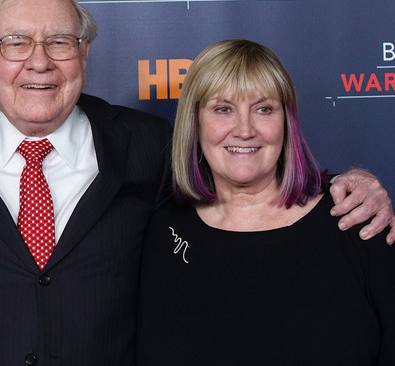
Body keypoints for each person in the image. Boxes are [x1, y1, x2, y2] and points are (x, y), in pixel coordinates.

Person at [0, 0, 394, 364]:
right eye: (15, 42)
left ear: (85, 54)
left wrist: (353, 183)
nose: (39, 62)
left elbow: (243, 184)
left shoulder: (148, 143)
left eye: (60, 41)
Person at [135, 40, 395, 364]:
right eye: (223, 109)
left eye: (263, 109)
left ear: (287, 122)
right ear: (195, 122)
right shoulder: (159, 231)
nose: (245, 130)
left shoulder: (355, 221)